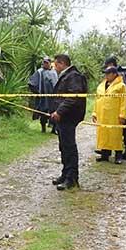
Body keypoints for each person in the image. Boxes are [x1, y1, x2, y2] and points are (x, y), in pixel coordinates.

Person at [50, 54, 88, 190]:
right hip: (63, 118)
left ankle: (71, 179)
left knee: (69, 147)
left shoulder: (74, 76)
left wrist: (59, 111)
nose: (54, 68)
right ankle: (65, 174)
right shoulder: (68, 75)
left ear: (61, 63)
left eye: (55, 65)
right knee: (63, 146)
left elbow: (73, 98)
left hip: (68, 117)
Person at [92, 66, 126, 164]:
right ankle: (105, 154)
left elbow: (124, 101)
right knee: (103, 134)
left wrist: (122, 115)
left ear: (114, 74)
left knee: (115, 135)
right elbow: (97, 99)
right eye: (105, 74)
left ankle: (118, 155)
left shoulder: (121, 86)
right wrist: (95, 113)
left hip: (114, 115)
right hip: (102, 114)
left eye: (108, 74)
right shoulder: (101, 85)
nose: (106, 76)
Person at [28, 56, 59, 134]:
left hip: (53, 97)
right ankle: (43, 129)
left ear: (49, 63)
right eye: (43, 62)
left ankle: (53, 129)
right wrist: (37, 92)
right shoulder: (39, 72)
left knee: (55, 112)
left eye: (46, 63)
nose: (44, 64)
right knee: (43, 113)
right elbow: (31, 83)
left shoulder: (54, 72)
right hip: (44, 98)